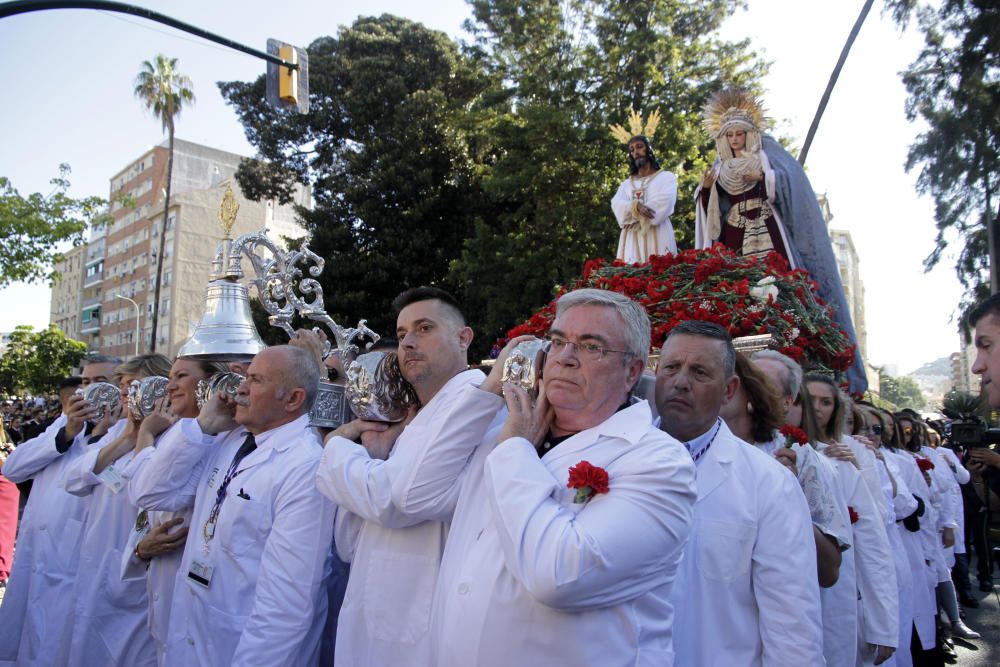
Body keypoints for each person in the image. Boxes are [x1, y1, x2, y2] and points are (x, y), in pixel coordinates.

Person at [413, 288, 696, 665]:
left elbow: (559, 576)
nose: (564, 358)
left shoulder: (659, 462)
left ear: (632, 371)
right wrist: (487, 393)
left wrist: (514, 449)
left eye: (591, 346)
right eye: (558, 341)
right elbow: (415, 494)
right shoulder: (506, 428)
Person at [316, 287, 501, 667]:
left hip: (423, 627)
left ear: (463, 338)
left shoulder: (479, 405)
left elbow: (401, 500)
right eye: (401, 335)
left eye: (424, 328)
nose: (409, 343)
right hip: (371, 617)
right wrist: (376, 457)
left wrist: (338, 450)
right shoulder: (414, 417)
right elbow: (350, 542)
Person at [129, 345, 335, 666]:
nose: (239, 388)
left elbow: (287, 603)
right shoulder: (230, 438)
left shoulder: (305, 465)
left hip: (242, 649)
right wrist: (202, 425)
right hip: (192, 635)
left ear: (293, 399)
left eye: (255, 380)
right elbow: (148, 491)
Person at [656, 321, 823, 666]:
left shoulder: (769, 483)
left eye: (700, 372)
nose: (681, 382)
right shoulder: (612, 457)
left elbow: (791, 621)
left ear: (729, 390)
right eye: (671, 367)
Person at [0, 355, 121, 666]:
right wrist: (66, 433)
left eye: (100, 383)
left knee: (58, 648)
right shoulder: (64, 424)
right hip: (35, 556)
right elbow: (13, 468)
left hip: (73, 565)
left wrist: (98, 438)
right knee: (25, 643)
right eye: (85, 382)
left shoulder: (123, 432)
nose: (89, 390)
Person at [59, 353, 173, 667]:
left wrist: (144, 437)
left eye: (132, 386)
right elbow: (71, 480)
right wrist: (126, 438)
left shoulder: (170, 439)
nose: (123, 393)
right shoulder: (116, 432)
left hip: (135, 576)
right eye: (122, 385)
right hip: (98, 567)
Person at [122, 357, 228, 663]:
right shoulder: (173, 435)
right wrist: (141, 549)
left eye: (181, 376)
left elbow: (147, 491)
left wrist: (145, 438)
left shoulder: (223, 441)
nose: (170, 386)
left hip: (199, 596)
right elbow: (143, 502)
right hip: (159, 592)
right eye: (169, 377)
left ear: (210, 383)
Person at [722, 352, 847, 588]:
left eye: (761, 382)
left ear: (787, 402)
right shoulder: (699, 443)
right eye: (743, 378)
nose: (745, 388)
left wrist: (788, 496)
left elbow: (829, 572)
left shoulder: (801, 457)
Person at [805, 375, 899, 666]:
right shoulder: (779, 448)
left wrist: (883, 624)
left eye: (826, 402)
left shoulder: (852, 451)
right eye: (810, 400)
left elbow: (874, 530)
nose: (817, 408)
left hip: (843, 591)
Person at [609, 120, 678, 263]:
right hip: (631, 238)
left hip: (658, 234)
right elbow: (616, 205)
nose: (636, 152)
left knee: (660, 276)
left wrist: (633, 211)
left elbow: (664, 203)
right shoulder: (626, 184)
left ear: (649, 149)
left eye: (639, 147)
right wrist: (636, 206)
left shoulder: (666, 178)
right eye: (632, 150)